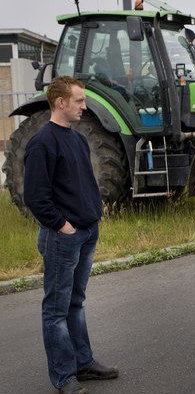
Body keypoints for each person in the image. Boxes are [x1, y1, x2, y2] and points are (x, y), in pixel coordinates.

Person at [24, 76, 118, 394]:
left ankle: (84, 363)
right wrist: (62, 225)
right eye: (79, 100)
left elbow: (81, 184)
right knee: (56, 309)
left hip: (86, 231)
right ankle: (64, 377)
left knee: (75, 302)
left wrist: (94, 213)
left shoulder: (76, 139)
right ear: (60, 102)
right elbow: (36, 196)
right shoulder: (42, 143)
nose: (84, 105)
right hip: (63, 236)